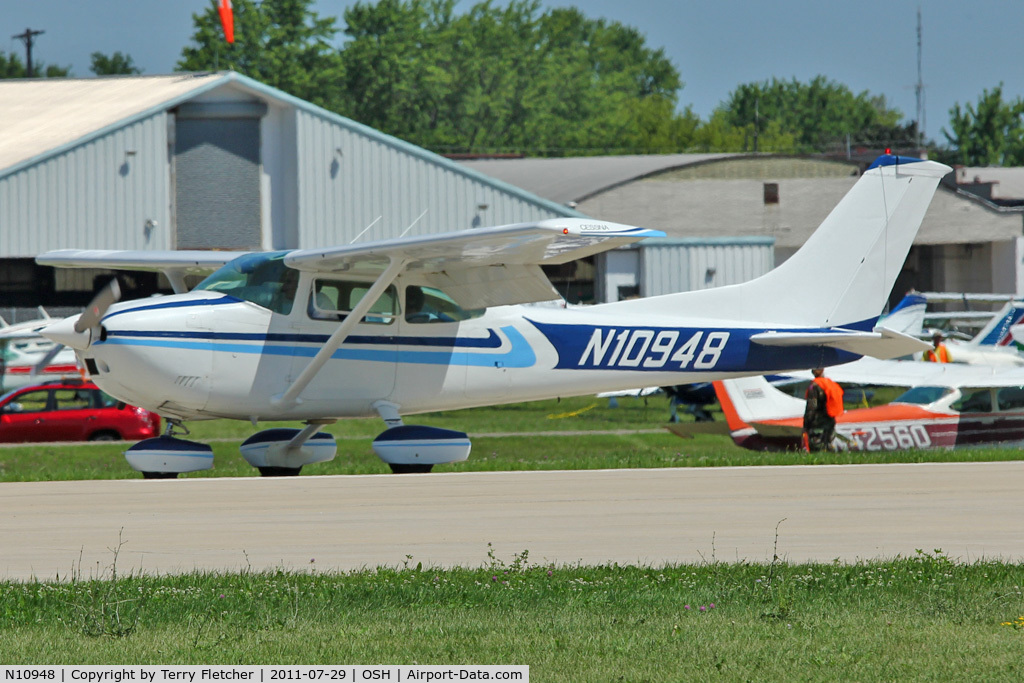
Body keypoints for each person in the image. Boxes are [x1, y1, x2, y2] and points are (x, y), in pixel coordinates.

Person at [803, 368, 844, 452]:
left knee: (816, 447)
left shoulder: (814, 386)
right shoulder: (830, 384)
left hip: (817, 423)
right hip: (830, 421)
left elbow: (812, 407)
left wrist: (806, 424)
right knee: (829, 445)